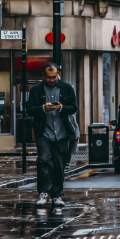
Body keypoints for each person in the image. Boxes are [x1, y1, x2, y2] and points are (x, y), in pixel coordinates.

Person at [24, 63, 79, 207]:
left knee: (59, 164)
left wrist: (62, 108)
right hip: (43, 133)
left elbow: (73, 107)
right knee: (43, 160)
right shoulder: (36, 89)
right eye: (49, 77)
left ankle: (57, 195)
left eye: (54, 77)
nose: (52, 80)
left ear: (58, 74)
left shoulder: (67, 88)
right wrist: (42, 108)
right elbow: (29, 108)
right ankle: (43, 192)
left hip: (62, 133)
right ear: (43, 76)